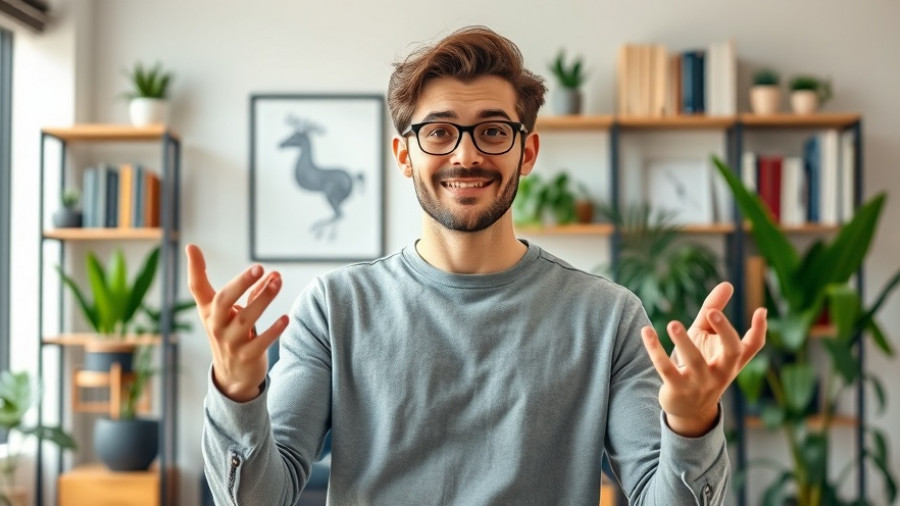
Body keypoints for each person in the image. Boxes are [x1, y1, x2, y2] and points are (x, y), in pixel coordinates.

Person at [189, 25, 766, 505]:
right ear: (405, 155)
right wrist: (238, 393)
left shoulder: (608, 317)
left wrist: (691, 424)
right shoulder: (334, 308)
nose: (466, 154)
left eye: (493, 131)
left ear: (528, 151)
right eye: (439, 132)